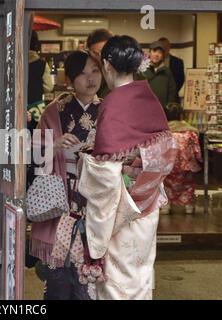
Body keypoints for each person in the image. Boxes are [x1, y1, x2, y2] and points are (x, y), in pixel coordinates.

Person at [77, 35, 178, 299]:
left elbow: (105, 178)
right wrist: (136, 171)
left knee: (117, 283)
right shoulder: (149, 98)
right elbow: (164, 156)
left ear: (108, 64)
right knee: (140, 276)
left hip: (120, 214)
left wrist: (87, 163)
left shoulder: (113, 103)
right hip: (146, 206)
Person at [29, 50, 102, 300]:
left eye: (95, 72)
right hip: (60, 196)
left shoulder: (107, 110)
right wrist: (54, 144)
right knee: (57, 275)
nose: (90, 79)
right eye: (82, 74)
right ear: (70, 80)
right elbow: (33, 150)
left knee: (88, 275)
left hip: (94, 198)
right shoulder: (55, 109)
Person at [27, 30, 54, 131]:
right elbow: (49, 87)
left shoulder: (14, 62)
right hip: (35, 108)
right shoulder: (42, 64)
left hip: (17, 107)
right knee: (36, 137)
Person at [144, 41, 178, 110]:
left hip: (162, 111)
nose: (156, 54)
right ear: (149, 53)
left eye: (160, 52)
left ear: (163, 56)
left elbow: (172, 92)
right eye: (154, 51)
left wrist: (168, 108)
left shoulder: (167, 72)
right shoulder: (142, 70)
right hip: (144, 109)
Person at [86, 28, 113, 98]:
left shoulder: (117, 71)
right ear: (88, 51)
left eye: (103, 52)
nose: (100, 58)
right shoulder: (85, 69)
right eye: (95, 53)